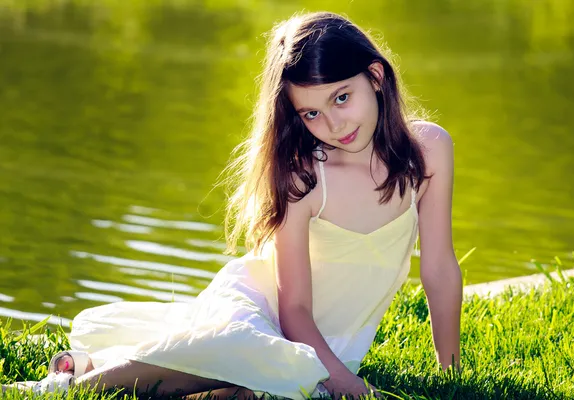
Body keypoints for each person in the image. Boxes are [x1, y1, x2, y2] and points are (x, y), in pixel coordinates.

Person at [2, 11, 462, 400]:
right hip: (264, 309)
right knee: (246, 352)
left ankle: (90, 366)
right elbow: (294, 309)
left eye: (342, 98)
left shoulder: (429, 150)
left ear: (376, 77)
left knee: (247, 385)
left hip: (333, 342)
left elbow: (438, 268)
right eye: (311, 113)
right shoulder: (305, 175)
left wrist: (450, 372)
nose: (334, 123)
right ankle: (54, 389)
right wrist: (342, 383)